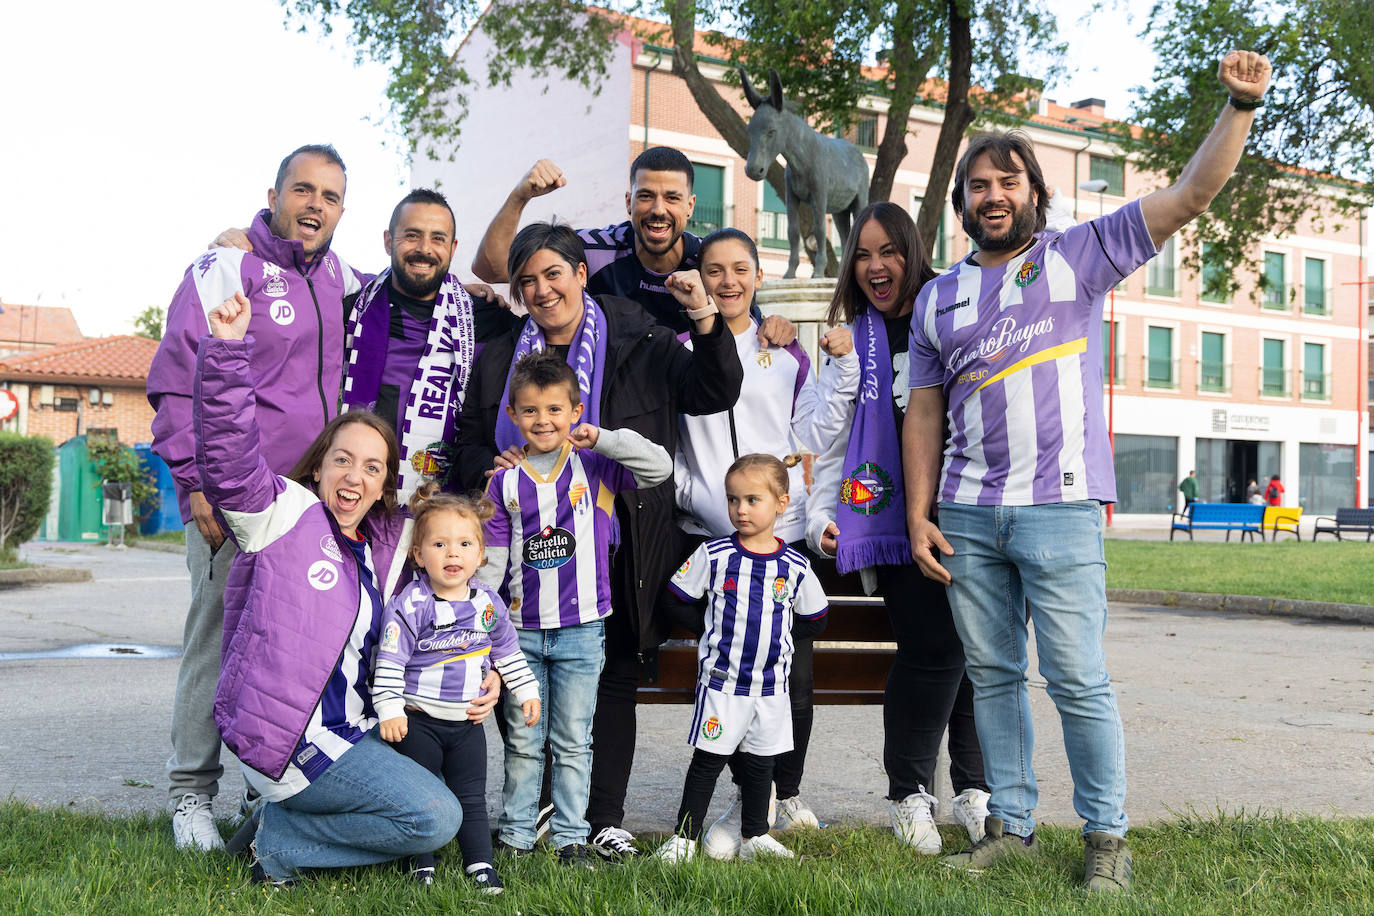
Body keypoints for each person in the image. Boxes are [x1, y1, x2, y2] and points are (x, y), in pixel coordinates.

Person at [903, 51, 1272, 893]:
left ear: (1034, 192)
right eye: (978, 186)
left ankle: (1107, 838)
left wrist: (1239, 108)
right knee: (993, 675)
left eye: (1008, 181)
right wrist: (921, 511)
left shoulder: (1081, 255)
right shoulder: (936, 298)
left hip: (1061, 508)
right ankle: (1014, 827)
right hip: (964, 513)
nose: (993, 195)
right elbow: (922, 410)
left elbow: (1190, 197)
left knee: (1075, 676)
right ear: (961, 203)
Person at [453, 221, 743, 859]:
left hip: (622, 543)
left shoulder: (639, 333)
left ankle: (601, 819)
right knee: (530, 691)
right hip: (524, 547)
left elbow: (714, 390)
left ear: (581, 274)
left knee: (608, 678)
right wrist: (490, 464)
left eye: (554, 274)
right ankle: (530, 817)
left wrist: (705, 316)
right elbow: (466, 442)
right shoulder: (501, 354)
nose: (541, 290)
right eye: (527, 281)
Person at [195, 291, 492, 886]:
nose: (354, 476)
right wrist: (227, 352)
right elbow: (228, 460)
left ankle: (274, 823)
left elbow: (452, 575)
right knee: (435, 818)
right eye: (342, 459)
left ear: (385, 482)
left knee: (432, 798)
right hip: (290, 736)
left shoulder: (383, 545)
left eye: (373, 466)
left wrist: (480, 667)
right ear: (319, 464)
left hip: (354, 728)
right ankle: (281, 842)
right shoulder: (284, 514)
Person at [147, 144, 363, 850]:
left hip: (302, 509)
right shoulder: (225, 266)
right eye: (303, 190)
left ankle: (260, 789)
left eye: (330, 196)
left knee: (283, 655)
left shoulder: (338, 276)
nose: (315, 205)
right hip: (231, 496)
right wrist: (195, 485)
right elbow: (176, 378)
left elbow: (416, 281)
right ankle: (189, 798)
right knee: (215, 643)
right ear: (272, 193)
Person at [806, 202, 990, 856]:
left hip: (979, 507)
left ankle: (977, 790)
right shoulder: (857, 343)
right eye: (862, 255)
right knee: (933, 651)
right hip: (899, 519)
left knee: (980, 658)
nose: (876, 266)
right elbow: (820, 442)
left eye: (888, 251)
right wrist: (823, 516)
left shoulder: (953, 311)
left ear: (913, 251)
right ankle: (909, 794)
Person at [669, 228, 858, 846]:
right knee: (723, 678)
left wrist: (839, 361)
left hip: (781, 547)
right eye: (714, 270)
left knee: (794, 684)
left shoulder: (785, 352)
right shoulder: (677, 347)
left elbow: (812, 432)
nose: (727, 281)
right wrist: (693, 497)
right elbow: (673, 446)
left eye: (740, 269)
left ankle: (785, 792)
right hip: (707, 544)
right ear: (697, 277)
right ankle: (726, 805)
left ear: (758, 277)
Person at [474, 349, 672, 865]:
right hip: (522, 634)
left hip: (583, 630)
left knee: (573, 741)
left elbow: (660, 467)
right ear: (514, 415)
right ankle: (515, 836)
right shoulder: (503, 483)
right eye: (532, 411)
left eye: (555, 410)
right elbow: (492, 569)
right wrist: (484, 636)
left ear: (576, 411)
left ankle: (569, 838)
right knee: (523, 740)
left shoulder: (599, 466)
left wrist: (604, 438)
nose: (544, 420)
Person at [210, 187, 517, 502]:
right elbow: (298, 279)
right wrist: (252, 239)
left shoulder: (485, 319)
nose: (424, 249)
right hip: (354, 505)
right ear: (388, 241)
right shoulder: (349, 309)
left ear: (453, 248)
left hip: (444, 514)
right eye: (411, 236)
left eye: (437, 239)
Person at [655, 454, 829, 863]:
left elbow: (816, 618)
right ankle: (683, 839)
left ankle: (755, 837)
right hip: (722, 683)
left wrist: (779, 638)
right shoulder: (713, 556)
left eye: (753, 499)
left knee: (759, 766)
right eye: (733, 500)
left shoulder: (796, 567)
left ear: (781, 503)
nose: (741, 509)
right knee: (707, 762)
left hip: (770, 689)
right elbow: (675, 600)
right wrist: (712, 630)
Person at [372, 488, 541, 892]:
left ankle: (480, 864)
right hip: (418, 722)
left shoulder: (487, 603)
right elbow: (390, 662)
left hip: (467, 724)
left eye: (464, 544)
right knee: (422, 795)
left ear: (480, 554)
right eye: (439, 544)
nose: (452, 554)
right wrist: (390, 709)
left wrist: (526, 689)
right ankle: (420, 864)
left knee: (471, 797)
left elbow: (507, 651)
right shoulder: (410, 604)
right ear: (419, 555)